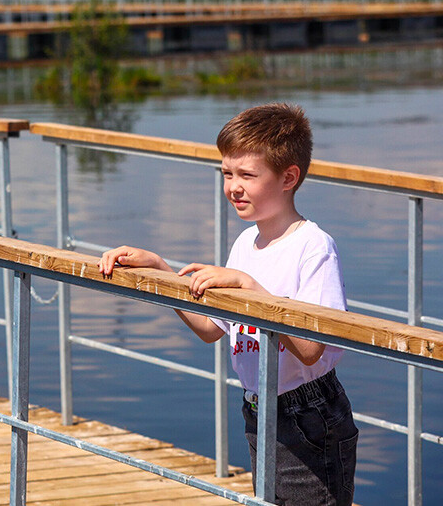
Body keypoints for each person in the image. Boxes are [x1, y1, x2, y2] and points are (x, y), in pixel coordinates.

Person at [98, 103, 357, 505]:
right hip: (257, 406)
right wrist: (162, 270)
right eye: (227, 173)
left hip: (308, 413)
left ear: (289, 177)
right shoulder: (246, 244)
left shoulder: (313, 247)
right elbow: (210, 330)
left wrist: (250, 288)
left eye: (247, 176)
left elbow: (310, 351)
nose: (233, 187)